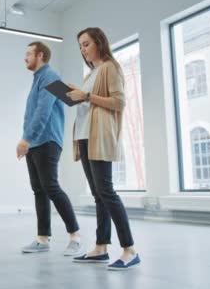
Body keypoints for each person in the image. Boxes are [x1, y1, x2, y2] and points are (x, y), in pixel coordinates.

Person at [66, 27, 140, 270]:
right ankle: (100, 247)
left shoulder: (110, 67)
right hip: (86, 135)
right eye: (80, 46)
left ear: (99, 42)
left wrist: (86, 95)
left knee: (106, 191)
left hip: (99, 136)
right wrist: (74, 94)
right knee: (98, 195)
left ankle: (130, 249)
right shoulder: (93, 73)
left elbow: (119, 102)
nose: (83, 49)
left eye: (86, 43)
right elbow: (88, 99)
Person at [17, 41, 82, 256]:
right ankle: (42, 238)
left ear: (41, 56)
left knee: (51, 187)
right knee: (39, 190)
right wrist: (28, 140)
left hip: (47, 141)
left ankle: (75, 236)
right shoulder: (39, 79)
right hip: (35, 143)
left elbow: (43, 112)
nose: (25, 57)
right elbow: (46, 107)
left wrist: (26, 139)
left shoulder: (50, 76)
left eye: (29, 54)